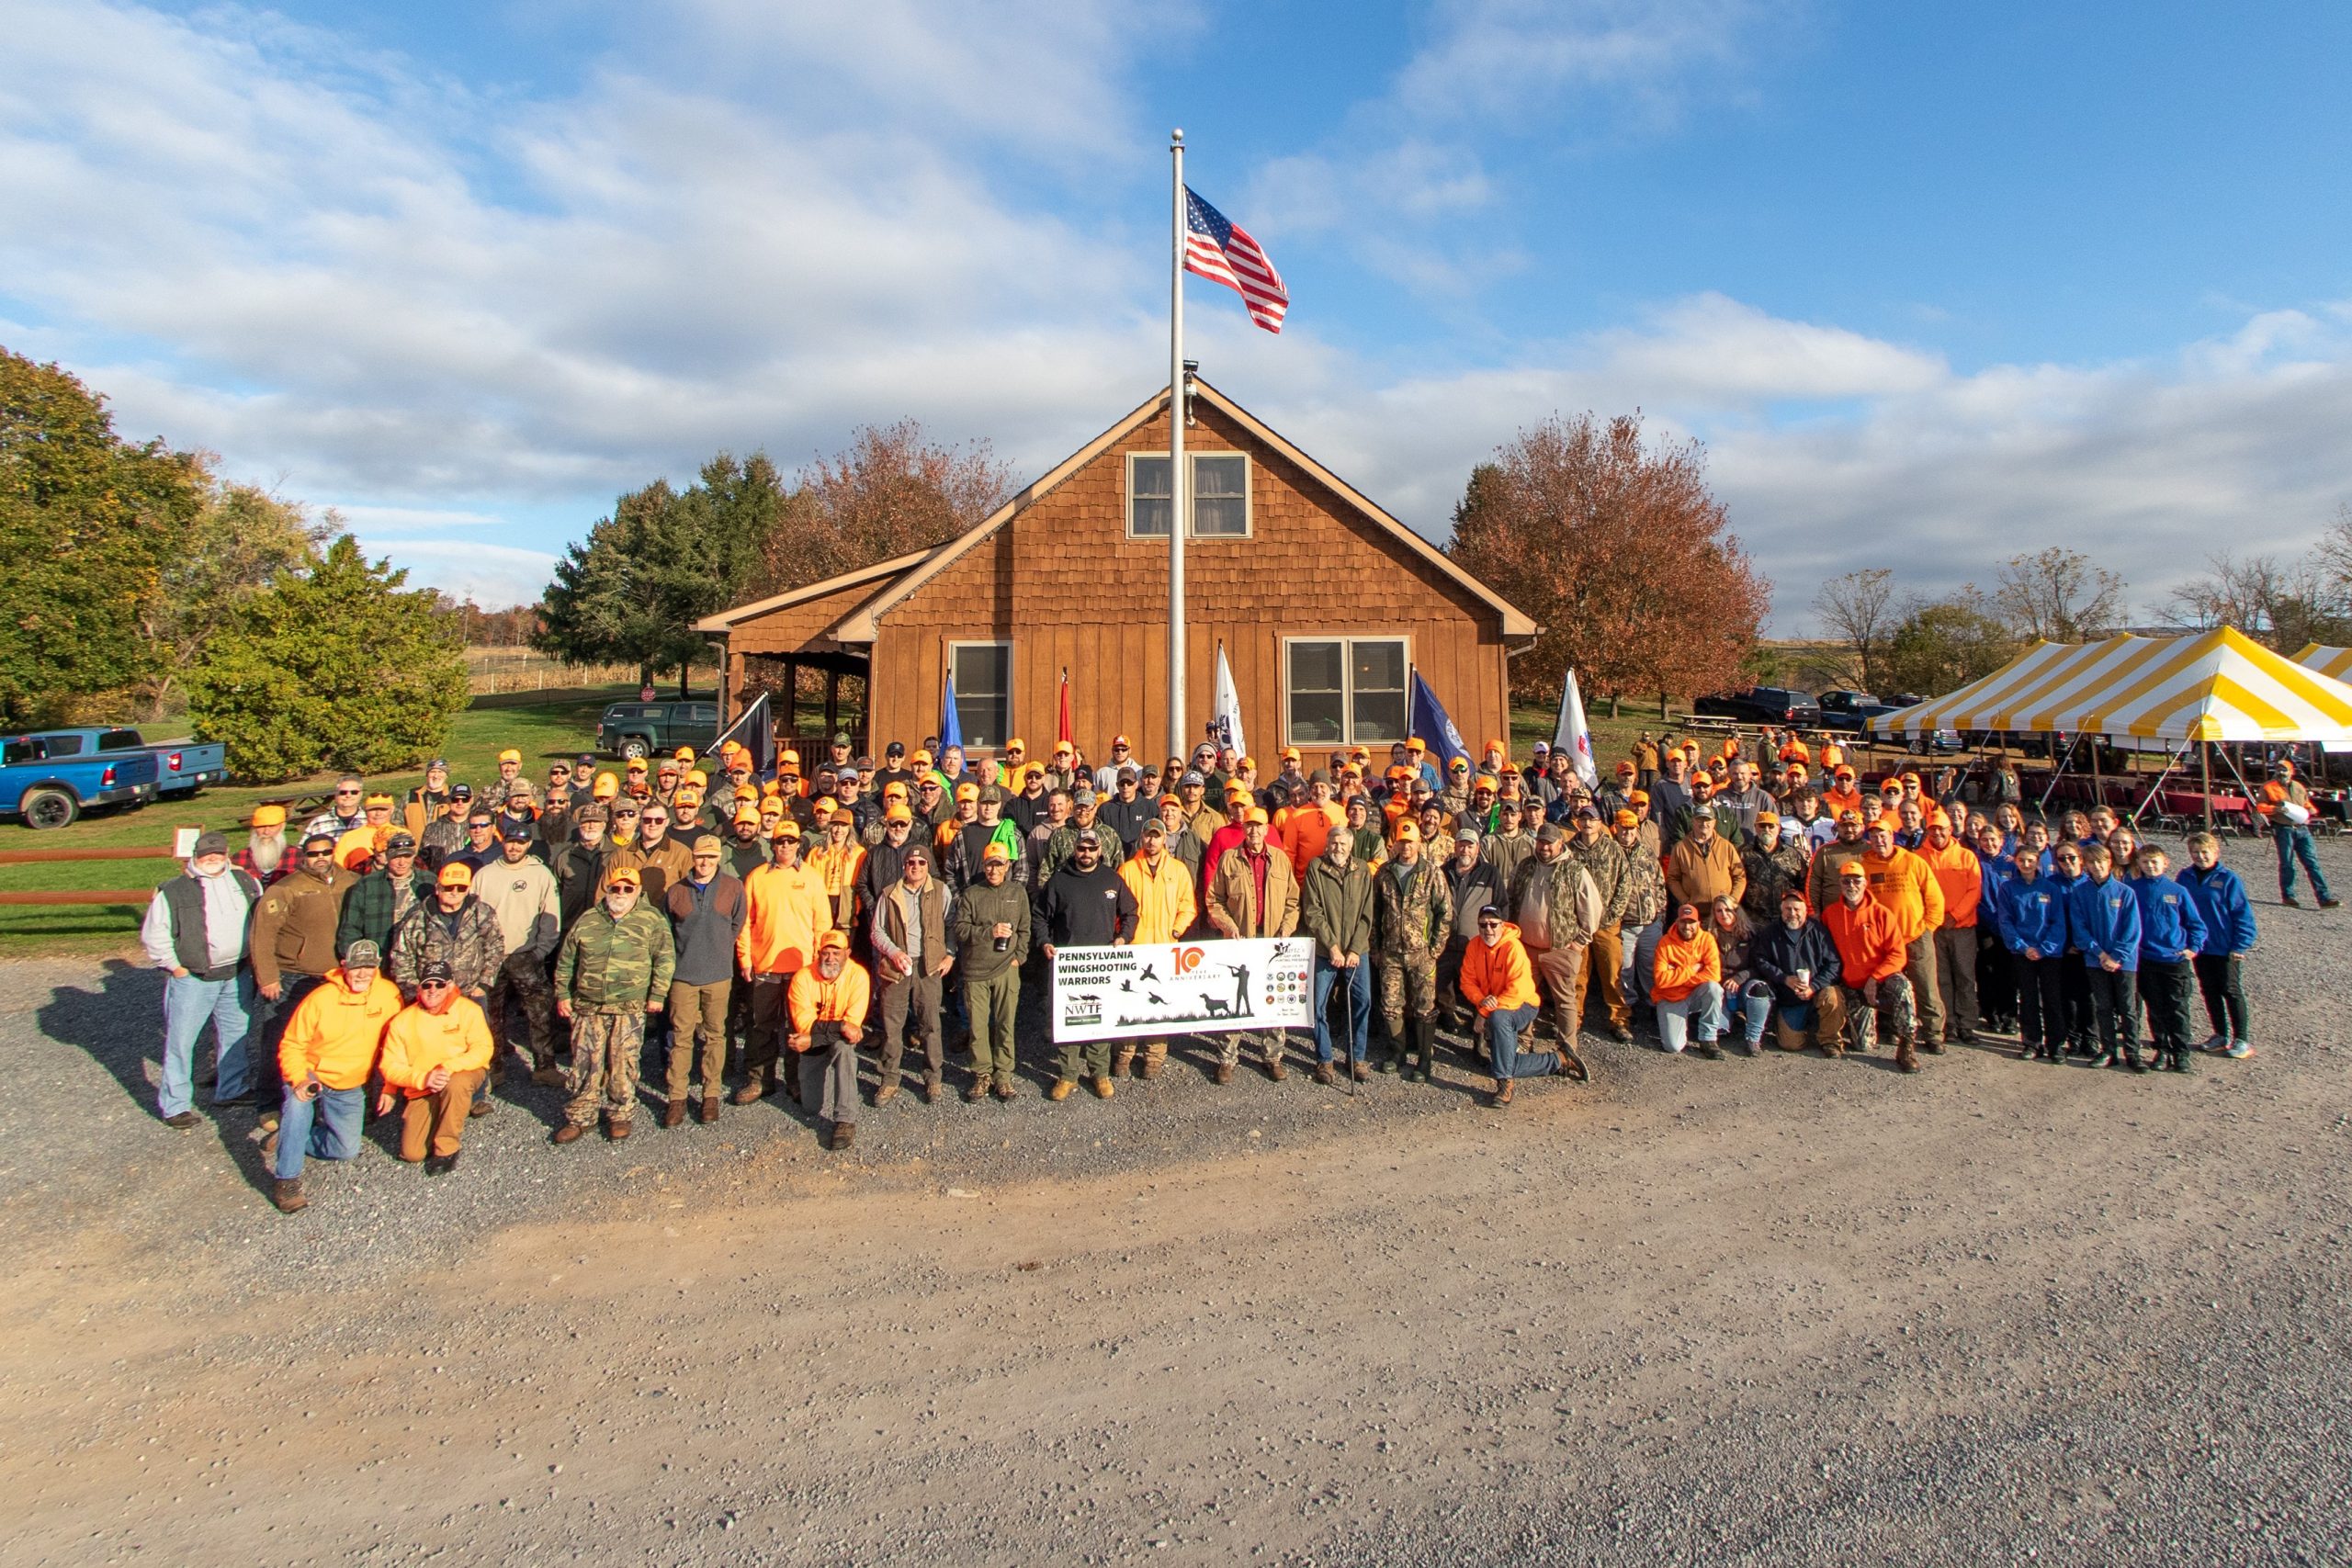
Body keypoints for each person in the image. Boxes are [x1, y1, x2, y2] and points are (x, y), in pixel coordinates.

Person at [263, 938, 400, 1213]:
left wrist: (390, 1088)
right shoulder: (320, 998)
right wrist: (299, 1078)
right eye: (356, 967)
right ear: (344, 966)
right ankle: (287, 1181)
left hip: (349, 1082)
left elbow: (397, 1045)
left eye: (368, 967)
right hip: (312, 1074)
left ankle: (294, 1136)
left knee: (346, 1150)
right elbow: (292, 1044)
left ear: (377, 967)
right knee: (298, 1104)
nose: (362, 974)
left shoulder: (389, 995)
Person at [140, 830, 260, 1128]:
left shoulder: (246, 882)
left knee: (236, 1035)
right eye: (206, 855)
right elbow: (155, 934)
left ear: (226, 854)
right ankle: (175, 1105)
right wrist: (175, 967)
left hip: (236, 974)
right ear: (195, 856)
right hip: (194, 978)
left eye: (217, 854)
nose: (212, 859)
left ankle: (231, 1089)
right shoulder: (174, 890)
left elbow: (260, 922)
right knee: (181, 1042)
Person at [552, 866, 674, 1143]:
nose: (621, 893)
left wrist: (657, 995)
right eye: (615, 888)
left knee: (624, 1062)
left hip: (629, 1006)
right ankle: (581, 1114)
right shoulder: (588, 919)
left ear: (638, 892)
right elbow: (567, 960)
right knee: (585, 1061)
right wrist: (563, 994)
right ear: (607, 890)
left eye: (627, 888)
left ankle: (620, 1112)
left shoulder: (651, 920)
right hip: (588, 1006)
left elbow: (665, 959)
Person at [247, 832, 358, 1125]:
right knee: (278, 1037)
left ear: (333, 852)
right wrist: (268, 976)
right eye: (313, 854)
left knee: (328, 1042)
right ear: (304, 857)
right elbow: (262, 935)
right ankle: (268, 1102)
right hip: (294, 976)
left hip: (336, 977)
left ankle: (323, 1102)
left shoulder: (350, 881)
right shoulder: (286, 889)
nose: (320, 857)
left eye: (325, 852)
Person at [1203, 807, 1302, 1083]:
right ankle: (1227, 1058)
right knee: (1235, 999)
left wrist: (1286, 927)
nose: (1254, 831)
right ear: (1243, 828)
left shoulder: (1280, 860)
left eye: (1259, 826)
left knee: (1271, 998)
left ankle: (1272, 1057)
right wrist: (1229, 926)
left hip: (1272, 942)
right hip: (1240, 941)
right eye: (1249, 826)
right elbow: (1215, 900)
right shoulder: (1229, 859)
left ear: (1267, 828)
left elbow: (1293, 901)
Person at [735, 821, 832, 1103]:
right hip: (764, 964)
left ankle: (796, 1081)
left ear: (799, 844)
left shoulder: (812, 877)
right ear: (773, 845)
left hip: (801, 966)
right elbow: (745, 922)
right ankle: (758, 1080)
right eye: (780, 841)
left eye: (791, 841)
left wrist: (819, 959)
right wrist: (744, 957)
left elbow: (822, 922)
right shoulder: (757, 877)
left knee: (798, 1027)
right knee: (761, 1026)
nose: (786, 846)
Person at [1038, 829, 1137, 1100]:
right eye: (1082, 848)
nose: (1086, 853)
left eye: (1091, 849)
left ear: (1099, 851)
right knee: (1069, 1019)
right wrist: (1045, 941)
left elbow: (1130, 912)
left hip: (1101, 963)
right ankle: (1068, 1075)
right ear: (1074, 849)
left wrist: (1123, 937)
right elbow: (1040, 916)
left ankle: (1099, 1074)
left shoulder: (1111, 879)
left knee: (1099, 1019)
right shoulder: (1059, 881)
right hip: (1068, 965)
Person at [375, 960, 493, 1175]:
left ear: (449, 985)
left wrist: (447, 1068)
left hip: (460, 1074)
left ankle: (446, 1148)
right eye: (427, 985)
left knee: (456, 1085)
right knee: (413, 1154)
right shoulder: (403, 1021)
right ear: (419, 987)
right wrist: (421, 1080)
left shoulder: (468, 1010)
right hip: (425, 1083)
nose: (433, 990)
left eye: (439, 985)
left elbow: (483, 1049)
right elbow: (391, 1065)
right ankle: (442, 1111)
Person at [467, 826, 564, 1084]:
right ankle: (494, 1068)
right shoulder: (485, 875)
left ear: (528, 844)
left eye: (520, 843)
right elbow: (471, 917)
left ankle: (545, 1067)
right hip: (492, 956)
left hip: (525, 955)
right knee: (491, 1015)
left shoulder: (540, 874)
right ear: (503, 842)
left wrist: (540, 951)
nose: (514, 848)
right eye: (510, 842)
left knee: (540, 1013)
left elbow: (550, 916)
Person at [662, 835, 746, 1126]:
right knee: (681, 1038)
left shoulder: (733, 888)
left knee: (715, 1035)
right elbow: (667, 931)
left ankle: (711, 1094)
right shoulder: (675, 892)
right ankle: (677, 1097)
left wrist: (720, 948)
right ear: (693, 858)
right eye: (700, 856)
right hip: (683, 975)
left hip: (718, 974)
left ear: (718, 858)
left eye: (710, 857)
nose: (705, 862)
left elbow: (737, 924)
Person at [1508, 823, 1602, 1076]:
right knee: (1523, 996)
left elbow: (1592, 910)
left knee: (1565, 1001)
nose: (1545, 847)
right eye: (1541, 842)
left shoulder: (1574, 870)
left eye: (1549, 843)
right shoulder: (1525, 866)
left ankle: (1567, 1050)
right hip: (1526, 946)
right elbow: (1511, 897)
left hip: (1561, 948)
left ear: (1560, 843)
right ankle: (1523, 1041)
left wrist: (1579, 942)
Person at [1114, 821, 1198, 1080]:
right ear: (1141, 839)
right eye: (1148, 837)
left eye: (1156, 837)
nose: (1152, 842)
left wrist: (1176, 930)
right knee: (1131, 1001)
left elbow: (1188, 905)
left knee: (1159, 1002)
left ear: (1164, 839)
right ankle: (1125, 1053)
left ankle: (1154, 1055)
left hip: (1164, 947)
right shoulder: (1127, 870)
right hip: (1135, 947)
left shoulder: (1178, 870)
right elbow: (1116, 909)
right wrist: (1123, 936)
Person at [1460, 905, 1565, 1105]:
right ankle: (1557, 1060)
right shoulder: (1474, 946)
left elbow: (1517, 991)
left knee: (1499, 1018)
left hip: (1523, 1004)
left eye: (1493, 924)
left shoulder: (1513, 948)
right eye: (1483, 925)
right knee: (1507, 1056)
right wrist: (1482, 1000)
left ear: (1502, 925)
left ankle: (1504, 1083)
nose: (1488, 930)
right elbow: (1467, 981)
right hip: (1493, 1004)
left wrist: (1483, 1011)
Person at [951, 842, 1031, 1100]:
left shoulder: (1017, 893)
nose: (994, 869)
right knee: (978, 1026)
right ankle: (982, 1074)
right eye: (989, 864)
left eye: (999, 864)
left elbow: (1024, 929)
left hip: (1006, 969)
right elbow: (960, 930)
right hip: (976, 971)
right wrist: (989, 932)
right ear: (983, 866)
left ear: (1008, 866)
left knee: (1005, 1024)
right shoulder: (972, 894)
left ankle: (1004, 1074)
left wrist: (1019, 957)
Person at [1859, 819, 1946, 1051]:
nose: (1879, 840)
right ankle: (1895, 1029)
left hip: (1915, 935)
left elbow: (1934, 898)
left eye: (1883, 835)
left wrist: (1928, 927)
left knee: (1926, 985)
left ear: (1891, 835)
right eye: (1874, 836)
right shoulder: (1865, 866)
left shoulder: (1913, 861)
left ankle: (1934, 1033)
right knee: (1890, 986)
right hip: (1883, 940)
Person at [1822, 863, 1918, 1069]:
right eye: (1846, 880)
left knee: (1903, 987)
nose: (1852, 885)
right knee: (1863, 1046)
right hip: (1853, 986)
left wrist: (1875, 979)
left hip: (1881, 981)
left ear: (1865, 883)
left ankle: (1906, 1046)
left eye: (1856, 880)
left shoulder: (1882, 914)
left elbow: (1898, 955)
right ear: (1840, 883)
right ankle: (1865, 1021)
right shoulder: (1831, 914)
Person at [1372, 822, 1450, 1081]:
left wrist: (1436, 947)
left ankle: (1425, 1059)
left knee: (1425, 1007)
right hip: (1391, 952)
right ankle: (1397, 1052)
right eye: (1402, 842)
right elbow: (1374, 913)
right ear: (1394, 843)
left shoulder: (1431, 873)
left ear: (1419, 844)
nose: (1406, 847)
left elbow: (1444, 912)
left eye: (1411, 842)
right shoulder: (1384, 873)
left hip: (1422, 953)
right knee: (1391, 1004)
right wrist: (1376, 948)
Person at [1300, 823, 1374, 1084]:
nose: (1338, 848)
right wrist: (1332, 946)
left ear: (1351, 846)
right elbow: (1312, 911)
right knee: (1318, 1005)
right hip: (1325, 950)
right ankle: (1325, 1058)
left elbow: (1367, 913)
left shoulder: (1362, 870)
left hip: (1357, 952)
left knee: (1362, 1002)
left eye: (1343, 843)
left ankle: (1356, 1057)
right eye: (1334, 843)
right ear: (1327, 844)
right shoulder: (1316, 868)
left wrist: (1354, 948)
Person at [788, 931, 871, 1150]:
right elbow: (804, 1025)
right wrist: (840, 1026)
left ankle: (845, 1120)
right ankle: (818, 1080)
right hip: (813, 1043)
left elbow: (852, 1028)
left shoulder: (859, 976)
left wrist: (842, 1028)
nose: (831, 958)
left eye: (837, 952)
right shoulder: (803, 977)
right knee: (811, 1107)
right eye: (826, 952)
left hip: (828, 1040)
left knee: (845, 1048)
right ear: (819, 953)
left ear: (848, 953)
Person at [2178, 831, 2257, 1059]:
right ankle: (2220, 1034)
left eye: (2205, 852)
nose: (2200, 856)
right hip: (2199, 947)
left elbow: (2242, 914)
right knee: (2208, 990)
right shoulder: (2185, 877)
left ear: (2215, 853)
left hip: (2224, 946)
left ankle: (2241, 1038)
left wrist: (2240, 945)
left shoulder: (2228, 879)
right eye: (2195, 852)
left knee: (2230, 990)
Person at [2132, 845, 2209, 1074]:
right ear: (2139, 864)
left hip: (2174, 959)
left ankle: (2181, 1052)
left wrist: (2192, 948)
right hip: (2146, 958)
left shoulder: (2177, 891)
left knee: (2177, 1006)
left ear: (2165, 863)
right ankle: (2161, 1047)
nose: (2150, 866)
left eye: (2155, 862)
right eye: (2145, 862)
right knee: (2154, 1006)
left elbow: (2195, 924)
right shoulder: (2132, 890)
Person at [2068, 843, 2143, 1072]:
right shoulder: (2080, 893)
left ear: (2109, 863)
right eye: (2091, 863)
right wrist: (2099, 953)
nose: (2097, 866)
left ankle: (2132, 1051)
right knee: (2102, 1006)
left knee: (2127, 1007)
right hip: (2095, 959)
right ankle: (2108, 1050)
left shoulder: (2125, 892)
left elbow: (2132, 930)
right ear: (2086, 865)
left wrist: (2117, 956)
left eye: (2101, 862)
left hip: (2124, 961)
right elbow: (2079, 928)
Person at [1748, 887, 1846, 1053]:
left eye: (1797, 909)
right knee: (1790, 1044)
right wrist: (1784, 978)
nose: (1792, 913)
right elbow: (1760, 960)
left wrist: (1814, 987)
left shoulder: (1818, 931)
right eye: (1788, 908)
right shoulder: (1770, 933)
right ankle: (1806, 1027)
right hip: (1789, 997)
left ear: (1805, 910)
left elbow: (1834, 964)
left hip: (1817, 990)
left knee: (1832, 996)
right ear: (1781, 909)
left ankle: (1830, 1041)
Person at [1997, 843, 2069, 1062]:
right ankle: (2031, 1042)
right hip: (2022, 952)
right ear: (2016, 862)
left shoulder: (2050, 888)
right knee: (2028, 999)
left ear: (2038, 862)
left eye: (2031, 860)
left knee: (2052, 999)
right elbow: (2006, 920)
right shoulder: (2008, 888)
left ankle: (2056, 1044)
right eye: (2022, 860)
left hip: (2049, 953)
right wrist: (2022, 946)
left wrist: (2044, 948)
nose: (2026, 864)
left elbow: (2058, 922)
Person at [1918, 811, 1982, 1043]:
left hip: (1962, 927)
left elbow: (1974, 890)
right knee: (1941, 977)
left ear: (1950, 829)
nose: (1937, 833)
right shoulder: (1918, 857)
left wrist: (1955, 916)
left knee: (1965, 976)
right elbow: (1917, 892)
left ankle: (1967, 1024)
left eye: (1941, 828)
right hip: (1933, 928)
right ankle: (1949, 1024)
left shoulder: (1966, 856)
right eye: (1933, 829)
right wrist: (1933, 919)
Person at [335, 831, 432, 960]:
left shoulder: (429, 881)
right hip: (378, 960)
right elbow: (350, 929)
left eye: (407, 856)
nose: (402, 862)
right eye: (396, 857)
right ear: (387, 856)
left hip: (417, 959)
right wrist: (358, 961)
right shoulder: (367, 884)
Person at [2257, 758, 2337, 908]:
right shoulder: (2268, 787)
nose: (2280, 772)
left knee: (2312, 863)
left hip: (2302, 828)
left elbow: (2306, 803)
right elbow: (2260, 806)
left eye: (2284, 769)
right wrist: (2275, 809)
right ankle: (2288, 896)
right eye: (2278, 769)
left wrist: (2311, 809)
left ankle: (2324, 898)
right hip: (2283, 828)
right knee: (2287, 864)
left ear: (2291, 772)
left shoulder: (2299, 786)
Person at [1649, 903, 1726, 1057]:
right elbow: (1661, 980)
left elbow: (1714, 974)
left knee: (1714, 988)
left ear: (1698, 923)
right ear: (1677, 922)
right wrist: (1691, 970)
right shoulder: (1665, 943)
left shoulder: (1707, 940)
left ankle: (1708, 1039)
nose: (1687, 926)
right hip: (1671, 997)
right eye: (1683, 921)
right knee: (1673, 1047)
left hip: (1694, 993)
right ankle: (1676, 1022)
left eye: (1691, 922)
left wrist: (1678, 977)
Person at [233, 805, 293, 887]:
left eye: (272, 826)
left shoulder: (298, 856)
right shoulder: (238, 859)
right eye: (261, 827)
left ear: (282, 826)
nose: (266, 832)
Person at [302, 775, 368, 840]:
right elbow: (302, 849)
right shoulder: (318, 822)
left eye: (354, 792)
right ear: (335, 795)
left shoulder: (368, 820)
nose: (348, 795)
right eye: (343, 792)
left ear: (360, 794)